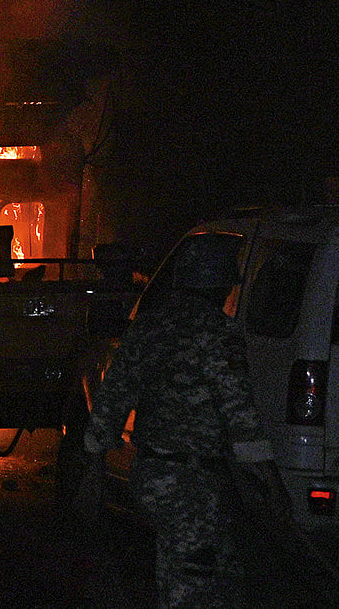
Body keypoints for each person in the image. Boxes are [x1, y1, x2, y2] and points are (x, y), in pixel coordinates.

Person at [79, 234, 289, 607]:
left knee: (205, 571)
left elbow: (111, 398)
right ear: (221, 285)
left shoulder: (148, 328)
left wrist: (94, 467)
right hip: (191, 485)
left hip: (153, 475)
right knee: (191, 585)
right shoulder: (218, 335)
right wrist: (271, 482)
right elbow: (241, 416)